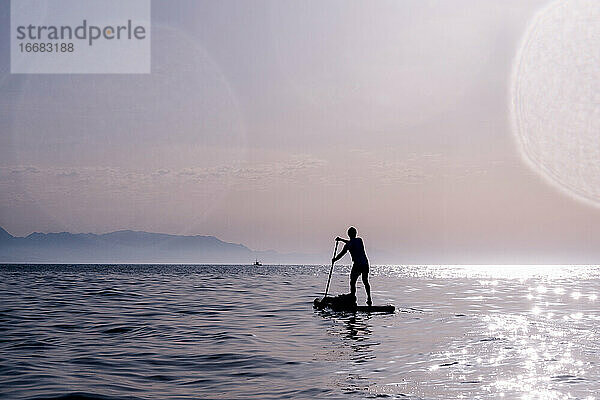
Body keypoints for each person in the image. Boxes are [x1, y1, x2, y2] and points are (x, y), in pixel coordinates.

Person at [332, 226, 372, 306]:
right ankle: (369, 298)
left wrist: (335, 259)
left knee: (353, 282)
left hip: (358, 265)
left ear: (348, 234)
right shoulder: (359, 240)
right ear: (355, 234)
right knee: (365, 281)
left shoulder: (351, 243)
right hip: (365, 264)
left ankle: (354, 298)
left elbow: (343, 252)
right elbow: (350, 243)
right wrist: (341, 240)